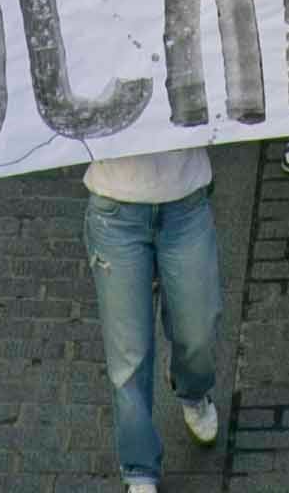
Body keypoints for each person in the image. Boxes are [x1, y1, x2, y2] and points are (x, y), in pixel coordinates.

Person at [83, 133, 224, 480]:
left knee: (199, 331)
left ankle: (192, 389)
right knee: (128, 357)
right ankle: (139, 469)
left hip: (186, 201)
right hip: (115, 210)